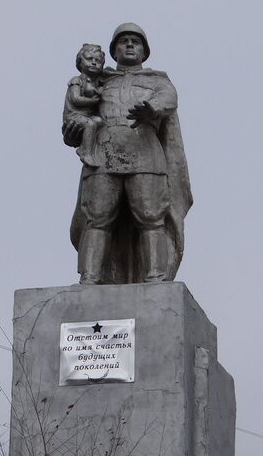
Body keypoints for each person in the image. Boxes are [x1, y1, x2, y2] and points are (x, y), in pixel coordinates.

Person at [65, 23, 192, 285]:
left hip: (145, 155)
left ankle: (155, 278)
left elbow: (169, 99)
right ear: (113, 51)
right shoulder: (99, 81)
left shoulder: (157, 81)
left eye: (136, 41)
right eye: (123, 42)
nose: (130, 45)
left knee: (150, 217)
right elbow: (72, 122)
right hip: (102, 157)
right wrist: (77, 123)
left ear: (145, 51)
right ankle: (89, 279)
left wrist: (153, 109)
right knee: (97, 218)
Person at [62, 43, 107, 168]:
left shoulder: (99, 82)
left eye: (97, 61)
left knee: (97, 121)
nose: (93, 63)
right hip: (74, 116)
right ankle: (85, 152)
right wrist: (94, 101)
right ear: (80, 62)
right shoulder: (77, 80)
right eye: (89, 59)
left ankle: (89, 146)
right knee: (91, 124)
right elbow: (75, 99)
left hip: (86, 117)